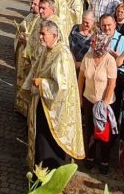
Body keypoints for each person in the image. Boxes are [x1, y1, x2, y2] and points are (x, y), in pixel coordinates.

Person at [25, 20, 84, 169]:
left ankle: (51, 178)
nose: (40, 37)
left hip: (55, 110)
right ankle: (40, 173)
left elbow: (61, 87)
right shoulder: (48, 49)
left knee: (50, 145)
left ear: (54, 35)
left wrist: (42, 83)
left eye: (43, 34)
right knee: (41, 142)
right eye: (40, 34)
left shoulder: (62, 54)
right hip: (44, 103)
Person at [78, 33, 116, 174]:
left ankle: (104, 160)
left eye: (93, 41)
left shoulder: (109, 60)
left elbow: (112, 83)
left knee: (103, 132)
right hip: (89, 99)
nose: (90, 43)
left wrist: (105, 103)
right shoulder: (87, 57)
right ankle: (90, 156)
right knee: (90, 129)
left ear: (101, 44)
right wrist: (79, 97)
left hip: (104, 103)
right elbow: (81, 77)